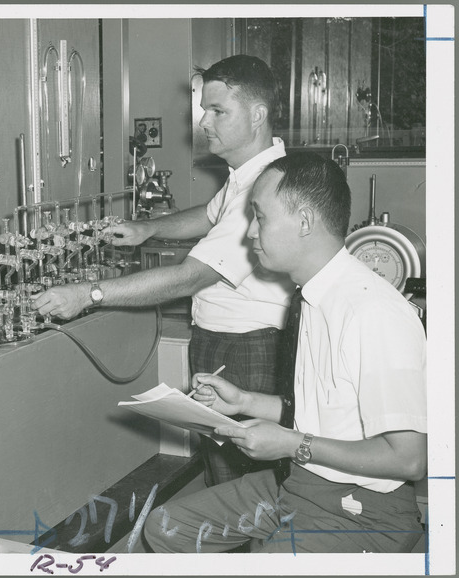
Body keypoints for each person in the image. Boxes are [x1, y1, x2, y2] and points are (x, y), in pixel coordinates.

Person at [142, 153, 427, 554]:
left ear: (305, 222)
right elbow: (330, 415)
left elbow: (410, 459)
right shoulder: (312, 296)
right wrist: (245, 402)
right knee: (165, 527)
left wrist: (292, 443)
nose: (250, 234)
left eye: (261, 218)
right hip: (296, 483)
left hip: (362, 511)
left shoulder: (374, 312)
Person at [32, 55, 296, 486]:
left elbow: (191, 276)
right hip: (223, 344)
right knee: (223, 476)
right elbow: (209, 216)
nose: (204, 122)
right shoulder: (247, 175)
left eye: (217, 111)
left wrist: (88, 293)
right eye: (204, 110)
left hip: (249, 351)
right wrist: (146, 229)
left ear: (258, 115)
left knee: (241, 487)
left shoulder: (261, 186)